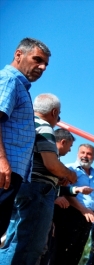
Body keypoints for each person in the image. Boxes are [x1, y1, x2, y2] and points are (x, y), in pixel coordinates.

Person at [0, 95, 78, 265]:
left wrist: (55, 177)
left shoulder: (24, 123)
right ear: (54, 112)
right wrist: (68, 174)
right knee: (29, 243)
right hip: (38, 191)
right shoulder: (44, 127)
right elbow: (51, 163)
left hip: (22, 186)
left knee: (13, 239)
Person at [0, 38, 51, 236]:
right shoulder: (9, 80)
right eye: (37, 59)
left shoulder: (19, 86)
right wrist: (2, 160)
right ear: (18, 55)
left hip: (9, 174)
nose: (43, 67)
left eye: (45, 64)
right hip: (4, 171)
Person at [47, 143, 94, 265]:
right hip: (71, 213)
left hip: (87, 217)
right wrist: (83, 209)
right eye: (82, 152)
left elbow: (93, 198)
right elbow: (66, 193)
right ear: (77, 154)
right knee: (62, 250)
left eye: (89, 153)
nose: (85, 156)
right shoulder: (70, 169)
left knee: (76, 252)